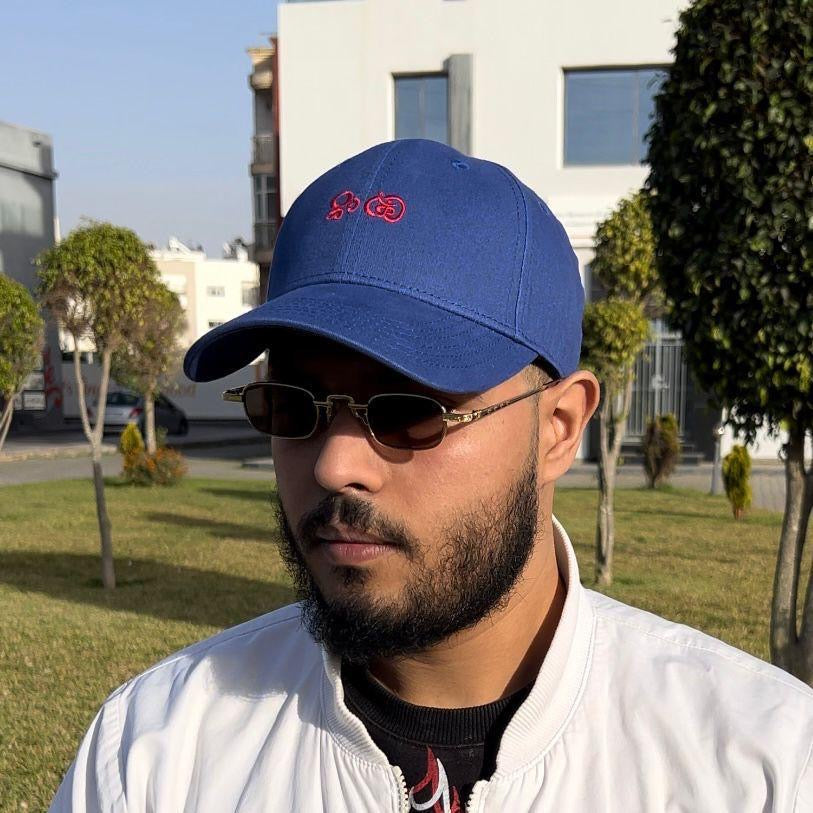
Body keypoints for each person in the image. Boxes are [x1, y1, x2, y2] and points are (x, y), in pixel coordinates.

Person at [51, 139, 812, 812]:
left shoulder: (760, 765)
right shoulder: (155, 755)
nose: (334, 463)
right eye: (292, 403)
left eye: (409, 408)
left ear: (557, 428)